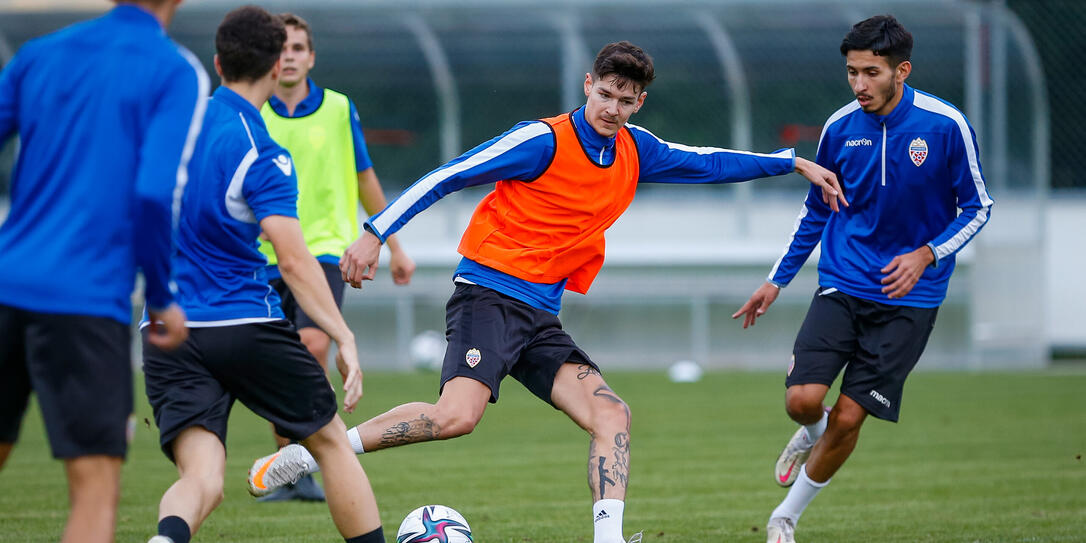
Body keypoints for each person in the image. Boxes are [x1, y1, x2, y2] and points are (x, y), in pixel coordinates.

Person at [249, 40, 845, 543]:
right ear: (588, 85)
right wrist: (376, 233)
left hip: (540, 316)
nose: (611, 107)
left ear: (640, 102)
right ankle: (314, 451)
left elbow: (710, 162)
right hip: (487, 296)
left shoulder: (636, 151)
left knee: (613, 414)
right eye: (603, 94)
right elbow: (445, 175)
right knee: (457, 417)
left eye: (624, 100)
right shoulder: (542, 140)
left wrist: (792, 165)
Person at [731, 15, 993, 543]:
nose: (859, 85)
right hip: (843, 283)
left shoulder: (946, 126)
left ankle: (785, 517)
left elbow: (978, 208)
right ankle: (812, 434)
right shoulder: (839, 127)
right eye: (852, 72)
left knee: (850, 419)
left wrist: (926, 254)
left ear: (902, 71)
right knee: (802, 401)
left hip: (910, 298)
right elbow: (816, 212)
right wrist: (775, 281)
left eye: (871, 73)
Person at [141, 7, 384, 543]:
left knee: (202, 476)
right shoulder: (261, 152)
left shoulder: (172, 125)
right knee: (329, 443)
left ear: (218, 62)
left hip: (164, 328)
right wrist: (343, 337)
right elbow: (293, 260)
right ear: (278, 67)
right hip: (240, 321)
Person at [0, 1, 205, 542]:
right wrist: (162, 294)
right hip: (85, 303)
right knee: (94, 492)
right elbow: (152, 193)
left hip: (6, 283)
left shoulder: (39, 53)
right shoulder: (174, 69)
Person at [255, 12, 416, 502]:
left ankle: (299, 465)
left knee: (311, 347)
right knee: (272, 361)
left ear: (311, 57)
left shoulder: (340, 108)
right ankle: (289, 468)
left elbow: (364, 177)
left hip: (324, 250)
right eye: (281, 48)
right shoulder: (251, 111)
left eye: (298, 48)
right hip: (259, 257)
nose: (288, 56)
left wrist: (394, 245)